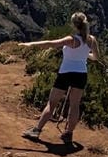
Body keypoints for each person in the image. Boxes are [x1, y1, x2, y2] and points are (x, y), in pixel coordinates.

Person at [21, 13, 99, 147]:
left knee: (52, 103)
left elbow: (50, 43)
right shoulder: (91, 40)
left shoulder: (71, 39)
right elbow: (96, 57)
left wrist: (30, 44)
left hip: (65, 73)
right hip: (81, 74)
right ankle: (68, 134)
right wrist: (85, 55)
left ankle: (37, 130)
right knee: (75, 105)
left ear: (73, 25)